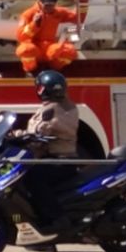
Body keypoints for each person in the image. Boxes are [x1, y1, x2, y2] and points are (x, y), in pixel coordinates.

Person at [15, 69, 79, 235]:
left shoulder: (54, 109)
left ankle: (57, 219)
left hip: (60, 162)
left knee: (32, 179)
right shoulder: (63, 105)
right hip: (56, 159)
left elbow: (40, 131)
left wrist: (18, 135)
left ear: (43, 90)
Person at [15, 0, 87, 74]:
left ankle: (54, 70)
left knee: (69, 51)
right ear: (40, 3)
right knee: (26, 49)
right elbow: (21, 37)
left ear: (55, 4)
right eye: (46, 5)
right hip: (35, 49)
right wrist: (34, 25)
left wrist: (82, 2)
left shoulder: (58, 12)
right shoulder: (29, 14)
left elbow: (79, 19)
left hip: (49, 48)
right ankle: (31, 71)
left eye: (51, 5)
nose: (48, 8)